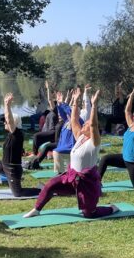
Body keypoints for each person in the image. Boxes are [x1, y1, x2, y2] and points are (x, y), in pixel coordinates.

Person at [23, 88, 118, 219]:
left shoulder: (94, 143)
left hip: (87, 183)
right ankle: (37, 209)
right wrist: (75, 101)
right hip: (71, 177)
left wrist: (94, 105)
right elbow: (73, 120)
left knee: (89, 214)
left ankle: (111, 208)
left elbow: (94, 125)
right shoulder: (80, 137)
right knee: (50, 185)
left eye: (87, 125)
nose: (84, 125)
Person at [0, 93, 41, 197]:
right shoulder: (12, 133)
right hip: (3, 165)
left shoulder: (17, 134)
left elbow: (9, 120)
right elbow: (9, 119)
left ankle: (41, 189)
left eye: (6, 122)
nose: (5, 123)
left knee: (18, 193)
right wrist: (6, 106)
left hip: (12, 168)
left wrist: (7, 105)